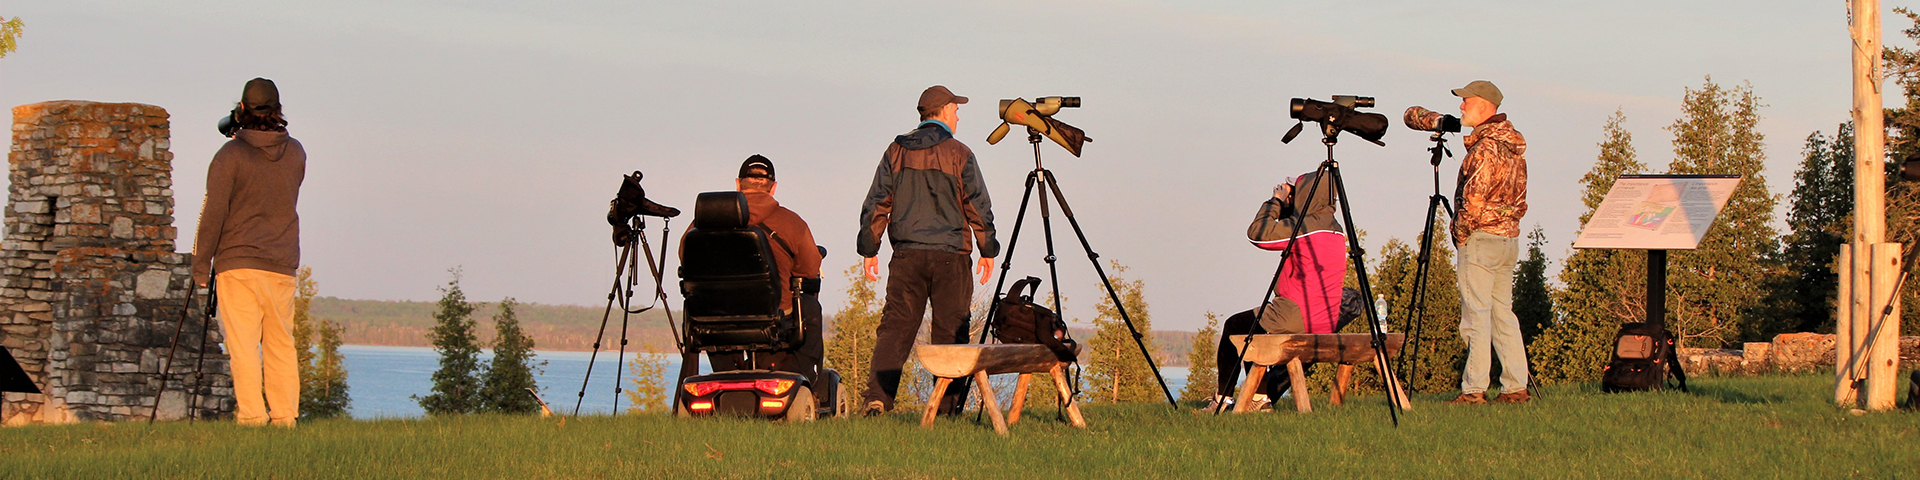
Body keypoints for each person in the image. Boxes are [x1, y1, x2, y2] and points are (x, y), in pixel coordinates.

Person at [856, 85, 998, 416]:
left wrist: (869, 247)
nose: (959, 114)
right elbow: (978, 204)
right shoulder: (960, 153)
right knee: (951, 332)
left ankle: (877, 398)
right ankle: (946, 410)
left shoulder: (896, 151)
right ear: (944, 111)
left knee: (896, 328)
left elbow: (877, 201)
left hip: (907, 256)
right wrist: (987, 247)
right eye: (956, 109)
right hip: (951, 256)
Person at [191, 78, 306, 427]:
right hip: (281, 261)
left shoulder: (230, 156)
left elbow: (215, 213)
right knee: (280, 344)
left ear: (241, 109)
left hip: (237, 262)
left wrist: (200, 264)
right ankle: (285, 417)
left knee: (243, 346)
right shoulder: (297, 152)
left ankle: (253, 418)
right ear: (278, 110)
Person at [1203, 171, 1351, 412]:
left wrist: (1276, 202)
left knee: (1234, 326)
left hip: (1296, 314)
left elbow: (1258, 234)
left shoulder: (1306, 228)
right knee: (1255, 329)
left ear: (1306, 194)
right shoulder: (1336, 231)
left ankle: (1222, 400)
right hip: (1325, 319)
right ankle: (1260, 399)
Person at [1421, 80, 1531, 405]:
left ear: (1483, 106)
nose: (1461, 107)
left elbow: (1474, 200)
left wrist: (1460, 232)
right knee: (1503, 313)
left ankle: (1473, 389)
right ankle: (1515, 386)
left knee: (1476, 316)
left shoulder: (1485, 149)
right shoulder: (1513, 147)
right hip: (1507, 239)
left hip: (1481, 239)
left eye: (1466, 101)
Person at [706, 155, 826, 384]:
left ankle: (726, 374)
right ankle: (808, 382)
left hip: (717, 315)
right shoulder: (791, 222)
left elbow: (686, 257)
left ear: (738, 184)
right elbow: (809, 270)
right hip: (773, 314)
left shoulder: (705, 220)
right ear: (773, 188)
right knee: (809, 307)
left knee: (711, 314)